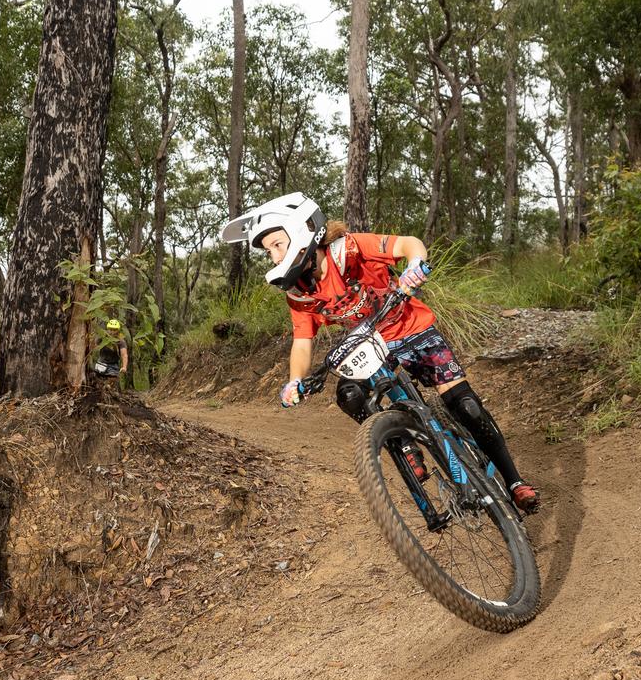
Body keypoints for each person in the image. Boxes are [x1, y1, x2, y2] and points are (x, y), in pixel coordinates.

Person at [221, 192, 539, 513]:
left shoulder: (348, 250)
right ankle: (401, 439)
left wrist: (415, 266)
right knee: (349, 395)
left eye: (278, 245)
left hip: (410, 327)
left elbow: (407, 244)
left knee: (465, 405)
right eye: (268, 252)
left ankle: (513, 481)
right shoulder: (300, 293)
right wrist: (294, 381)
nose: (274, 257)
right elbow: (302, 340)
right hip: (370, 344)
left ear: (302, 230)